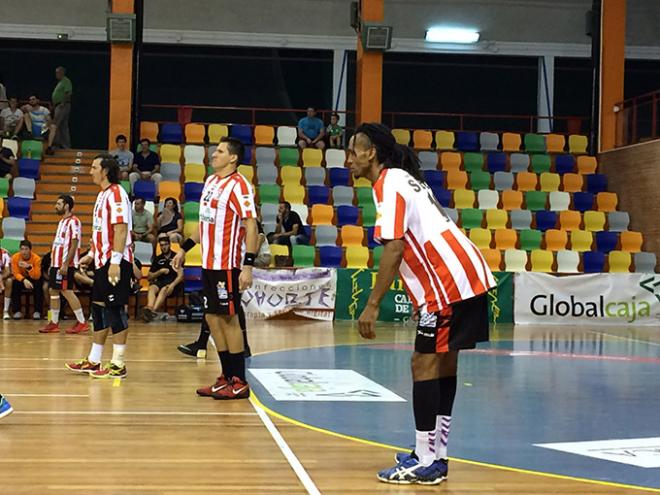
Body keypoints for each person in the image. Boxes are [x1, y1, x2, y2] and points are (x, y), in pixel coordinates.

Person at [348, 123, 496, 485]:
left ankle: (425, 458)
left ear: (372, 153)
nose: (348, 158)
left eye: (354, 150)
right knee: (443, 363)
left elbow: (395, 247)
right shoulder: (402, 179)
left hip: (447, 281)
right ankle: (436, 454)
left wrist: (372, 305)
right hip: (461, 273)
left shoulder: (390, 184)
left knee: (423, 362)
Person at [173, 136, 257, 400]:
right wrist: (185, 249)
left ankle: (239, 380)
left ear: (233, 157)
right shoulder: (210, 182)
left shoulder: (240, 186)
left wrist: (248, 266)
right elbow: (204, 224)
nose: (214, 154)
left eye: (219, 151)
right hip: (208, 263)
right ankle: (225, 376)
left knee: (229, 319)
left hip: (228, 264)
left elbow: (251, 226)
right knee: (211, 317)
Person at [65, 154, 133, 379]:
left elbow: (121, 229)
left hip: (116, 262)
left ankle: (118, 364)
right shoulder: (102, 195)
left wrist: (115, 263)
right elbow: (101, 230)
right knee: (98, 309)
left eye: (94, 167)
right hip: (103, 260)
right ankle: (94, 359)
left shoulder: (116, 194)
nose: (90, 171)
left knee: (115, 310)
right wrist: (92, 254)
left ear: (105, 171)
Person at [38, 195, 90, 334]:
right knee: (53, 291)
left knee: (66, 291)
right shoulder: (62, 222)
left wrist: (66, 264)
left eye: (58, 203)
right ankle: (54, 323)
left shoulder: (74, 222)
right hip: (57, 263)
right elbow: (58, 245)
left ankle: (82, 322)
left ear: (66, 206)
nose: (56, 206)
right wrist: (53, 264)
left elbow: (74, 244)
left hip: (65, 264)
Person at [141, 235, 183, 322]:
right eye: (162, 245)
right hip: (160, 282)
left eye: (166, 244)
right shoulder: (157, 259)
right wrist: (160, 271)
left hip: (173, 284)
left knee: (164, 289)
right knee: (152, 287)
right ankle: (149, 307)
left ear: (170, 244)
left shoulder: (176, 257)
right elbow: (149, 277)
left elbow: (181, 276)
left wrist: (172, 285)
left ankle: (152, 311)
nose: (164, 247)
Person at [10, 240, 43, 319]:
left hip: (33, 278)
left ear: (30, 250)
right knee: (15, 283)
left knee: (38, 284)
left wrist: (29, 267)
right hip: (22, 279)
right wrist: (24, 280)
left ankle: (37, 311)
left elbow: (37, 276)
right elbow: (15, 273)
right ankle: (17, 311)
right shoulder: (15, 257)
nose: (24, 252)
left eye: (26, 249)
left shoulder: (36, 259)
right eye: (22, 249)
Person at [52, 66, 73, 149]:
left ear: (62, 73)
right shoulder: (60, 82)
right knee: (63, 126)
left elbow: (68, 93)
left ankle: (56, 145)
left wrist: (62, 103)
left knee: (55, 124)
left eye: (57, 72)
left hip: (62, 105)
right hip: (58, 105)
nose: (56, 74)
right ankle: (65, 145)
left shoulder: (66, 81)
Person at [1, 247, 13, 320]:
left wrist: (1, 278)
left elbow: (8, 271)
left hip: (2, 277)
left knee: (9, 281)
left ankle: (5, 311)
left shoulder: (4, 253)